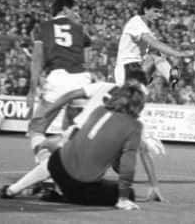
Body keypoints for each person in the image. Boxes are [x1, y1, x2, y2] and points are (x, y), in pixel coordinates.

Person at [20, 69, 167, 202]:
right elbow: (143, 151)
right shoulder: (132, 112)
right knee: (97, 175)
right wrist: (154, 185)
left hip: (74, 134)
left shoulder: (104, 86)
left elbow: (71, 94)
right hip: (91, 148)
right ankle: (46, 183)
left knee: (47, 151)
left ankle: (29, 184)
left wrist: (47, 112)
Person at [0, 83, 145, 211]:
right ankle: (61, 196)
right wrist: (124, 198)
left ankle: (13, 189)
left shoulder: (99, 110)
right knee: (127, 193)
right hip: (81, 185)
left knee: (56, 159)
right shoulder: (134, 126)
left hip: (58, 166)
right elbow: (127, 166)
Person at [113, 0, 195, 199]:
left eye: (160, 12)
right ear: (147, 9)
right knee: (133, 130)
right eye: (156, 11)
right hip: (126, 72)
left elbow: (159, 55)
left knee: (132, 129)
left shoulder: (146, 29)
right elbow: (154, 44)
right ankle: (145, 179)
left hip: (135, 73)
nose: (158, 15)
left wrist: (174, 77)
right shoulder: (136, 23)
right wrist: (180, 53)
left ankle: (153, 186)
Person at [27, 0, 93, 161]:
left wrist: (32, 89)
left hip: (58, 78)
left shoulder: (42, 28)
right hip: (81, 81)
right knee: (71, 130)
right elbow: (88, 60)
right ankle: (71, 168)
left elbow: (37, 60)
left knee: (36, 128)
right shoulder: (80, 29)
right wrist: (79, 26)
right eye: (75, 10)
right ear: (65, 9)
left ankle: (44, 165)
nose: (77, 14)